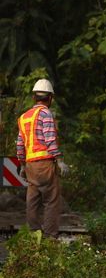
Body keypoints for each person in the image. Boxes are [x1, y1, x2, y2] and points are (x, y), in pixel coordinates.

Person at [16, 79, 69, 238]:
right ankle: (50, 238)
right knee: (51, 201)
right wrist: (60, 161)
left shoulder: (23, 117)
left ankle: (34, 235)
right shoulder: (45, 113)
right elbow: (50, 139)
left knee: (32, 202)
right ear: (50, 98)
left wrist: (23, 166)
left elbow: (20, 145)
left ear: (34, 97)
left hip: (31, 166)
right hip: (45, 164)